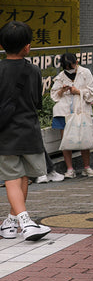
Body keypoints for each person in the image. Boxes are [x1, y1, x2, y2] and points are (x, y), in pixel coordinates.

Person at [0, 21, 51, 240]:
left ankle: (16, 221)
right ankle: (21, 223)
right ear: (27, 47)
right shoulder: (34, 71)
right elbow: (37, 101)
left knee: (12, 178)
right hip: (29, 130)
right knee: (23, 178)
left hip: (5, 132)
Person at [50, 52, 93, 179]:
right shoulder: (60, 76)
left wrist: (78, 92)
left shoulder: (85, 72)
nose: (68, 69)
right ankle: (69, 169)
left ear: (76, 62)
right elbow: (54, 95)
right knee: (66, 141)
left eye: (70, 66)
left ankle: (87, 167)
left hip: (80, 111)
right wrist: (62, 90)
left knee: (84, 138)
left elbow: (92, 92)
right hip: (63, 111)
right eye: (66, 67)